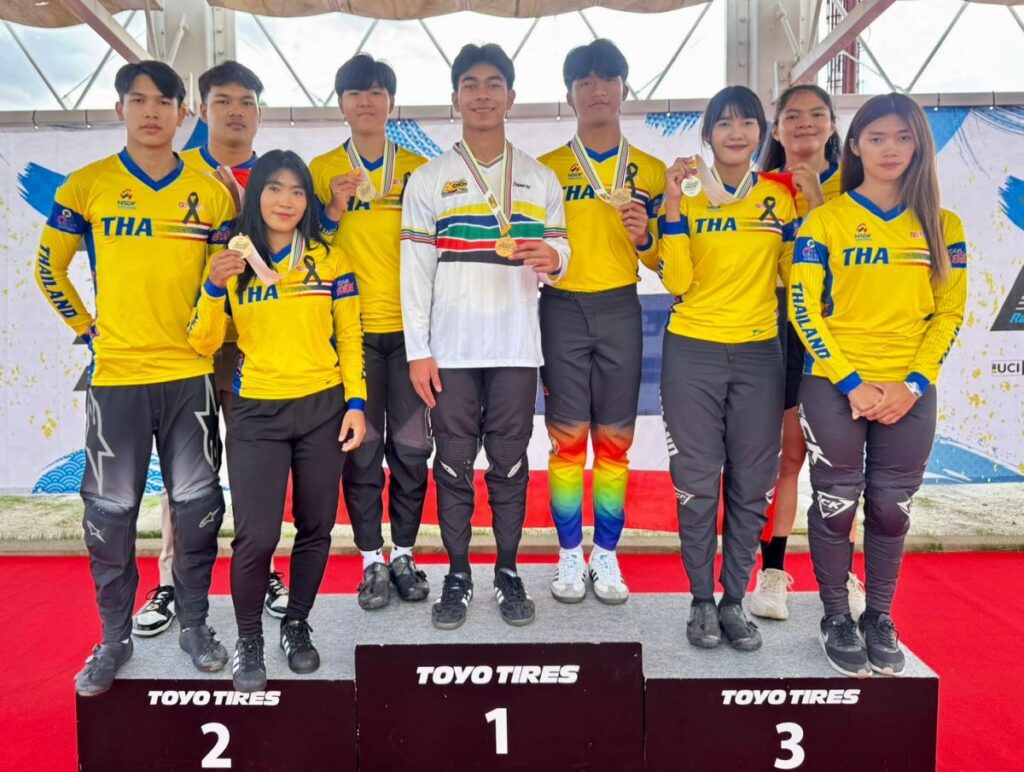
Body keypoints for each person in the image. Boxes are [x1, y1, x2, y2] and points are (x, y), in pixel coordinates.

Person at [35, 61, 235, 696]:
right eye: (138, 100)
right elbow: (49, 269)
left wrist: (204, 334)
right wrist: (88, 328)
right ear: (120, 108)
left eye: (164, 102)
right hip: (116, 379)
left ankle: (195, 626)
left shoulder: (212, 194)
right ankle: (113, 638)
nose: (151, 112)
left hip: (189, 377)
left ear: (183, 114)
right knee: (109, 516)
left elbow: (223, 288)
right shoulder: (87, 185)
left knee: (198, 511)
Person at [789, 93, 967, 677]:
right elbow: (802, 307)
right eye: (877, 137)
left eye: (903, 137)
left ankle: (880, 617)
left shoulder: (944, 225)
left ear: (920, 146)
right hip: (835, 384)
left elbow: (948, 312)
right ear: (855, 145)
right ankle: (836, 617)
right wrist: (851, 382)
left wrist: (911, 384)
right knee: (836, 503)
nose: (891, 149)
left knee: (891, 508)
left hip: (909, 390)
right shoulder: (825, 220)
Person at [401, 43, 570, 630]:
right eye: (470, 84)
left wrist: (555, 257)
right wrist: (418, 351)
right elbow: (414, 272)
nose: (481, 94)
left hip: (516, 348)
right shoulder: (429, 179)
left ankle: (507, 570)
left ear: (510, 96)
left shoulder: (541, 178)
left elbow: (561, 249)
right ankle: (456, 574)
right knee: (452, 464)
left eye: (493, 83)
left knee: (510, 463)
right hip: (449, 350)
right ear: (455, 99)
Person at [187, 150, 367, 691]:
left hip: (323, 409)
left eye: (296, 191)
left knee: (316, 527)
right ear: (256, 196)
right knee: (257, 536)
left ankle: (296, 624)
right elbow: (202, 342)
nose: (285, 201)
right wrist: (213, 288)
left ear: (308, 200)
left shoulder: (330, 259)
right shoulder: (231, 260)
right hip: (256, 414)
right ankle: (249, 640)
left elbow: (350, 336)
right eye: (273, 188)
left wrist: (356, 403)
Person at [133, 60, 291, 638]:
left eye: (247, 101)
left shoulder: (277, 179)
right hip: (191, 347)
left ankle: (262, 572)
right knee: (187, 475)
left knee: (256, 469)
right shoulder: (177, 173)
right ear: (200, 110)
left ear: (260, 112)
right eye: (223, 100)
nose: (235, 111)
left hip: (258, 348)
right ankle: (173, 582)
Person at [659, 86, 797, 653]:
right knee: (696, 484)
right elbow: (675, 281)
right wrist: (671, 207)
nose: (736, 133)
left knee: (751, 484)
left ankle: (734, 599)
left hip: (760, 354)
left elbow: (796, 278)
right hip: (691, 351)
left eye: (747, 122)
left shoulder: (779, 199)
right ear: (707, 133)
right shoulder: (686, 191)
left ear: (762, 132)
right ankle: (700, 600)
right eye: (724, 123)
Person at [537, 40, 664, 605]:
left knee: (614, 443)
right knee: (566, 443)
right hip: (561, 308)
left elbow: (664, 261)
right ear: (570, 95)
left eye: (607, 79)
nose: (596, 90)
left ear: (624, 89)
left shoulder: (651, 171)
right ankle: (570, 552)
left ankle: (606, 553)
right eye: (584, 81)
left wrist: (646, 236)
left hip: (620, 308)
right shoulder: (544, 171)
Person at [311, 54, 432, 612]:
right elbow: (308, 248)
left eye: (377, 92)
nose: (367, 101)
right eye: (356, 92)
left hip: (410, 334)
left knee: (412, 450)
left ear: (391, 103)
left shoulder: (420, 170)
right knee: (361, 453)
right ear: (341, 103)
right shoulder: (320, 170)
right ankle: (370, 561)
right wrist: (333, 209)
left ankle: (403, 553)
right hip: (349, 335)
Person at [749, 83, 865, 622]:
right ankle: (772, 573)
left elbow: (852, 266)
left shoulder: (856, 187)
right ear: (776, 130)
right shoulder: (758, 189)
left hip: (836, 329)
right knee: (788, 457)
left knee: (837, 462)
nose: (804, 123)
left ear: (833, 125)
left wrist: (819, 201)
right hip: (778, 326)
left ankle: (840, 574)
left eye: (817, 113)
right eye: (792, 115)